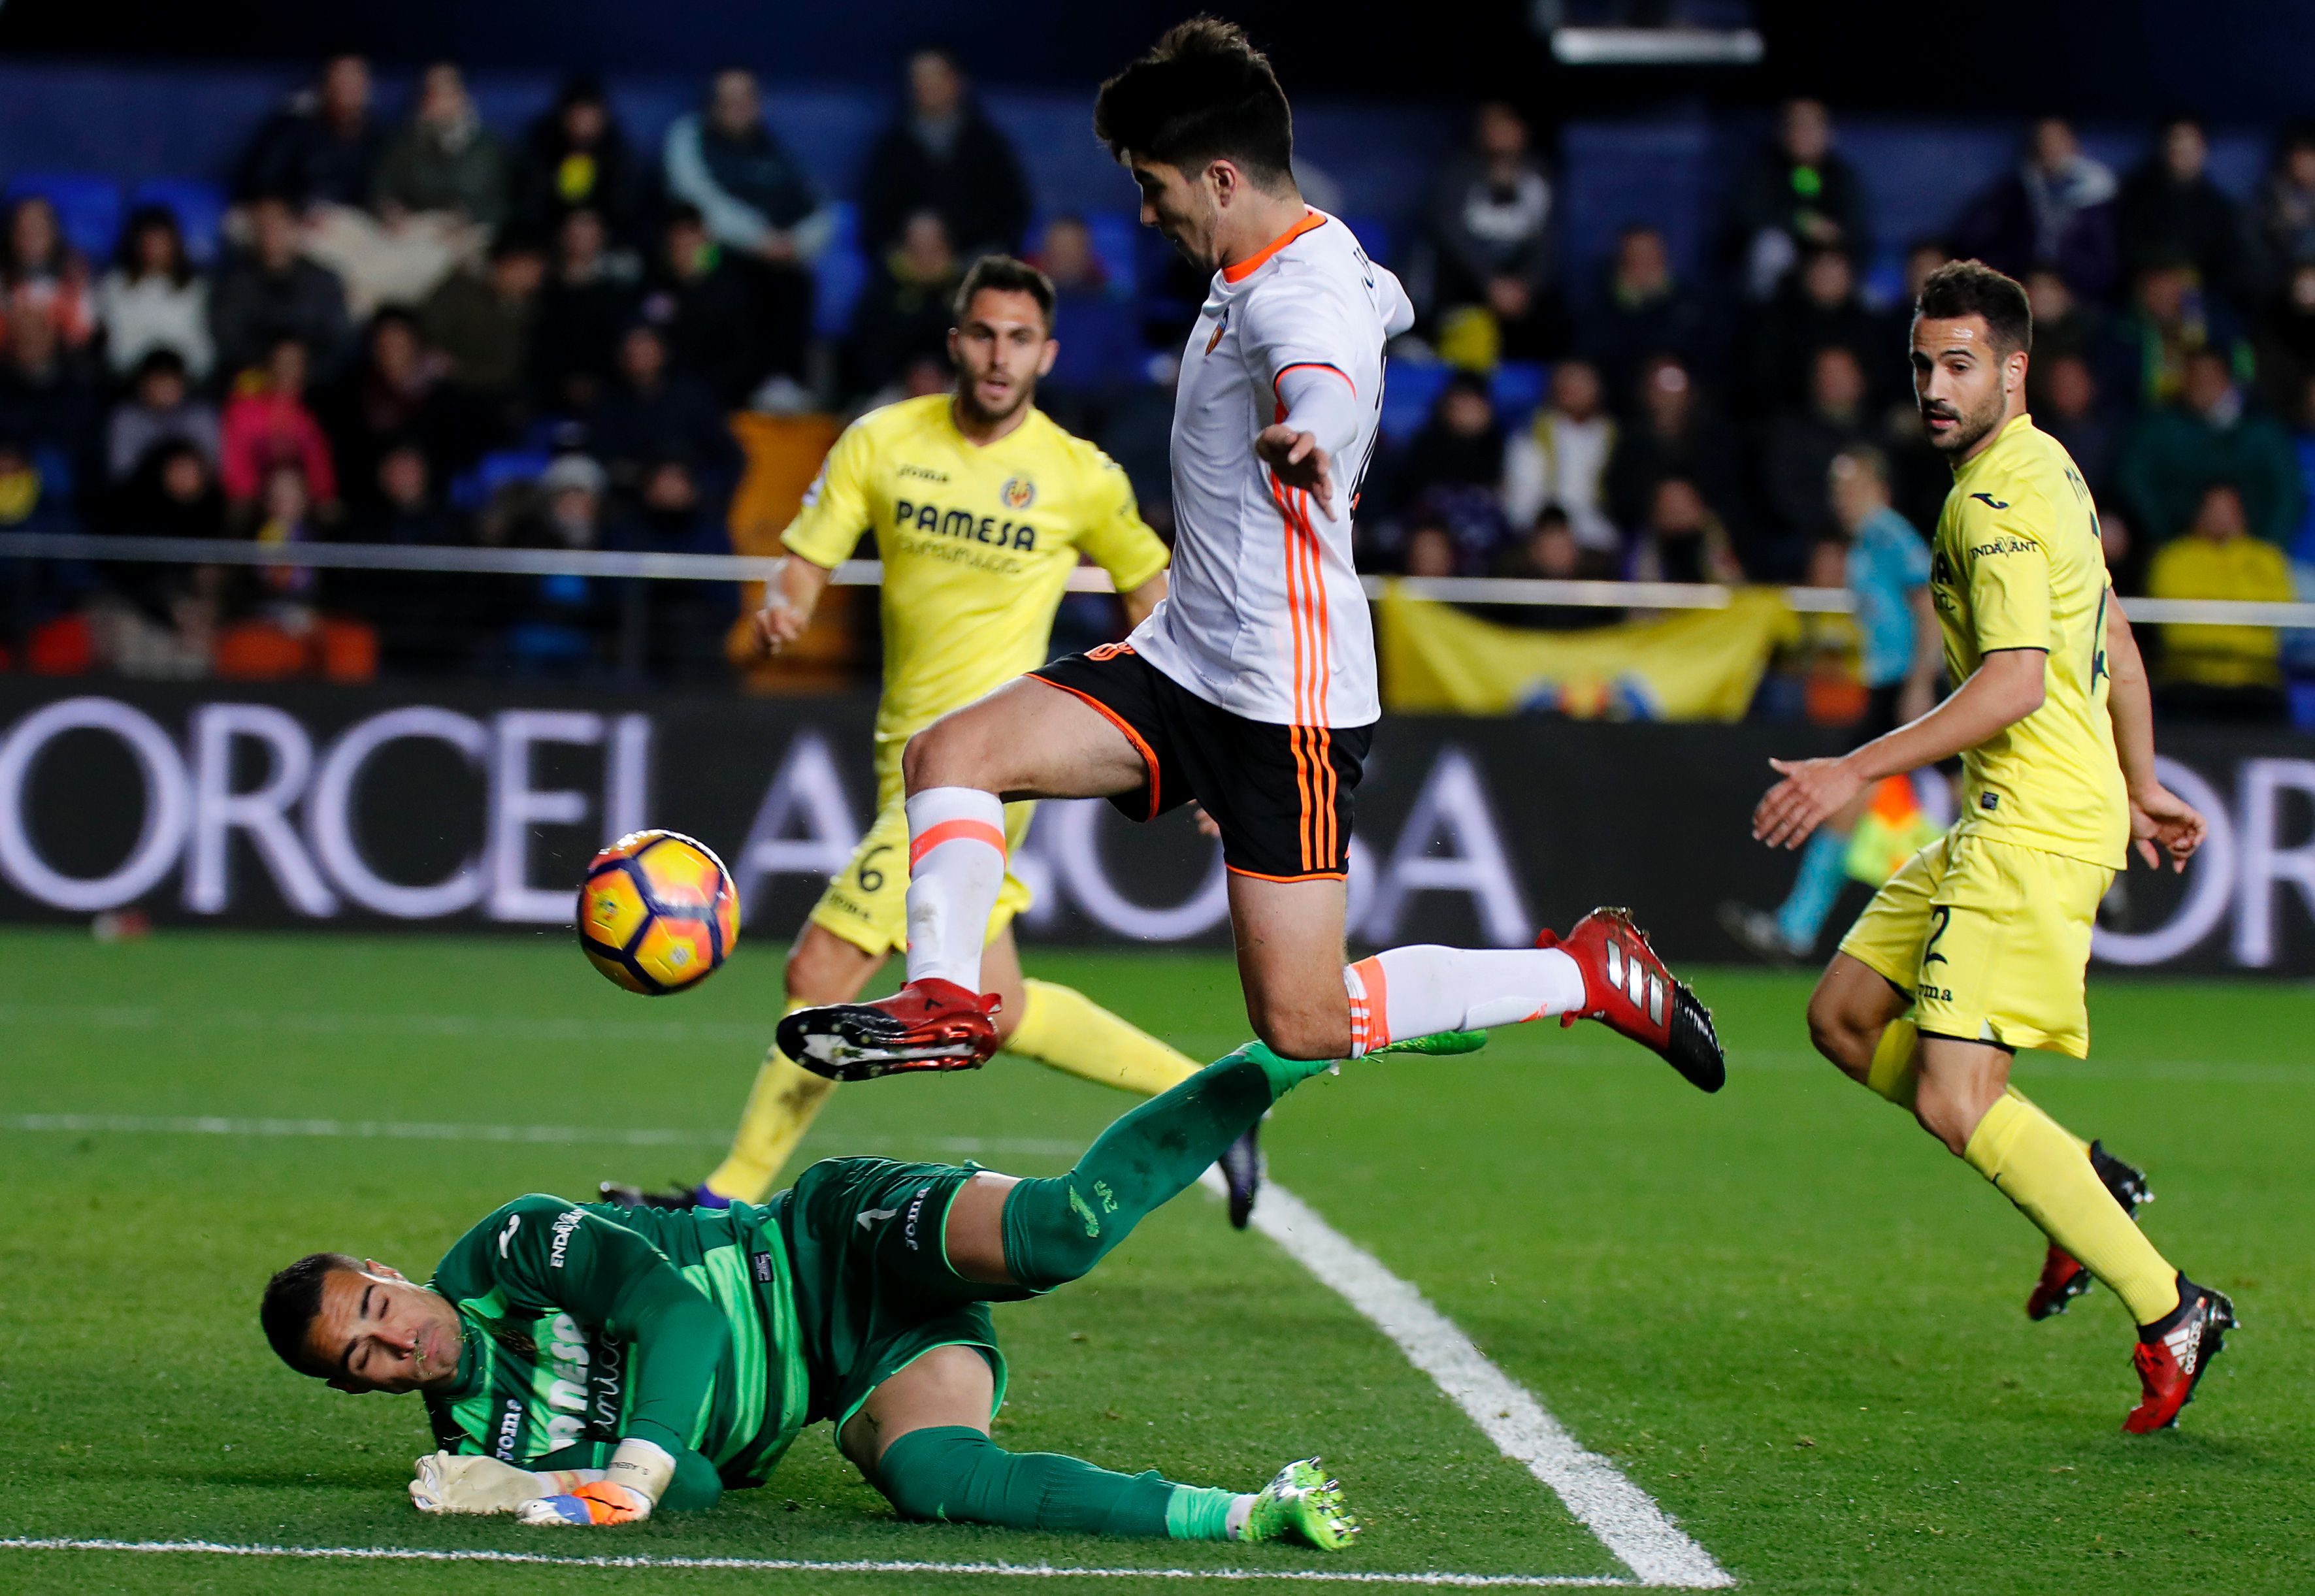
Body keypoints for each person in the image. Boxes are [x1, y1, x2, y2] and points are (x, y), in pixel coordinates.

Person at [779, 20, 1726, 1094]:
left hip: (1285, 697)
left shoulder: (1292, 292)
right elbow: (1380, 299)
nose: (1147, 212)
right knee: (950, 757)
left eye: (1154, 185)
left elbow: (1315, 362)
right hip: (1186, 659)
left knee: (1306, 1017)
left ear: (1221, 177)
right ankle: (947, 1001)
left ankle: (1584, 974)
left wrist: (1316, 426)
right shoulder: (1295, 255)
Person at [603, 254, 1269, 1221]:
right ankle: (1216, 1101)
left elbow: (1149, 592)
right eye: (983, 334)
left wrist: (1197, 743)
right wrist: (785, 607)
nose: (999, 356)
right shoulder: (881, 441)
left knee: (820, 969)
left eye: (1018, 339)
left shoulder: (1078, 475)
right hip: (901, 761)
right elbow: (804, 560)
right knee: (996, 1004)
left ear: (1046, 352)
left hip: (992, 770)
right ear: (954, 341)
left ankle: (722, 1202)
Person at [1750, 260, 2230, 1433]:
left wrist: (1854, 765)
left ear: (2012, 370)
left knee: (1958, 1103)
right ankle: (2077, 1189)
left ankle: (2168, 1303)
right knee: (1844, 1018)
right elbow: (2106, 624)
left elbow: (2016, 680)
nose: (1932, 384)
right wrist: (2142, 777)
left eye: (1957, 364)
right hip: (2013, 816)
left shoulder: (1991, 500)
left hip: (2030, 830)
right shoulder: (2047, 465)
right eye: (1920, 363)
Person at [260, 1042, 1377, 1542]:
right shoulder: (482, 1439)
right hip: (854, 1370)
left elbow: (679, 1312)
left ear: (390, 1273)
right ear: (357, 1389)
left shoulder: (509, 1243)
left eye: (376, 1309)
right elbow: (693, 1488)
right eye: (362, 1359)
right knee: (939, 1482)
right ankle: (1248, 1512)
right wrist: (522, 1488)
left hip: (834, 1239)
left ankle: (1276, 1052)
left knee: (1058, 1235)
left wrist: (627, 1464)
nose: (396, 1344)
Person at [1723, 444, 1937, 962]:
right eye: (1838, 489)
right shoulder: (1863, 543)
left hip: (1905, 686)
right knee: (1851, 802)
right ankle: (1795, 926)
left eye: (1854, 486)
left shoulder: (1887, 533)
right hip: (1887, 687)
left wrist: (1920, 681)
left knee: (1971, 792)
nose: (1842, 498)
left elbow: (1927, 604)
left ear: (1879, 489)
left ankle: (1796, 926)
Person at [2116, 346, 2300, 548]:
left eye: (2210, 377)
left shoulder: (2262, 429)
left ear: (2227, 379)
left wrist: (2266, 544)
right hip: (2179, 547)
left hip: (2254, 550)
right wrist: (2168, 534)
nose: (2202, 386)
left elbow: (2287, 492)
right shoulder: (2161, 427)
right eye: (2195, 378)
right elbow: (2134, 479)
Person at [859, 48, 1030, 260]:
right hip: (907, 270)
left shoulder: (989, 147)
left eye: (936, 75)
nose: (928, 84)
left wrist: (964, 252)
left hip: (975, 266)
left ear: (958, 81)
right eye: (919, 77)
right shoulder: (890, 150)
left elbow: (1012, 213)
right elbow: (875, 222)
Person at [1425, 101, 1565, 362]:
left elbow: (1548, 242)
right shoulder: (1459, 172)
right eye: (1489, 124)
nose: (1494, 132)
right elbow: (1450, 235)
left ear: (1521, 129)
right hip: (1468, 288)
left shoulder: (1540, 175)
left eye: (1503, 124)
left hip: (1524, 293)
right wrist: (1489, 282)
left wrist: (1527, 285)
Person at [2145, 480, 2294, 722]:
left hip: (2256, 679)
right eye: (2214, 508)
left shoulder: (2267, 558)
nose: (2221, 516)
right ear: (2199, 512)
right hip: (2188, 677)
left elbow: (2280, 606)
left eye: (2229, 509)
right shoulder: (2173, 558)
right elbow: (2180, 618)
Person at [1950, 118, 2118, 302]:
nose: (2050, 148)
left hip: (2081, 297)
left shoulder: (2101, 197)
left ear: (2074, 144)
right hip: (2021, 292)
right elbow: (1975, 238)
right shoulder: (2013, 194)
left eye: (2057, 140)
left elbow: (2105, 261)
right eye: (2043, 141)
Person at [1724, 99, 1869, 299]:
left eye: (1811, 126)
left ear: (1827, 132)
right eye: (1795, 125)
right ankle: (1766, 309)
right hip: (1784, 268)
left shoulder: (1841, 175)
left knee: (1872, 296)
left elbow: (1857, 226)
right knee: (1771, 246)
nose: (1802, 133)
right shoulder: (1763, 169)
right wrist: (1802, 224)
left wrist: (1833, 237)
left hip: (1829, 262)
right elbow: (1749, 216)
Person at [2115, 117, 2256, 316]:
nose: (2181, 149)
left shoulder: (2221, 208)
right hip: (2146, 290)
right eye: (2175, 141)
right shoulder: (2135, 198)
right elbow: (2128, 249)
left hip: (2203, 297)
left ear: (2203, 150)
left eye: (2190, 143)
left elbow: (2229, 265)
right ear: (2162, 147)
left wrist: (2191, 284)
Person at [208, 196, 353, 379]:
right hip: (255, 380)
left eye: (278, 223)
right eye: (264, 225)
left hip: (315, 384)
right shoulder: (233, 282)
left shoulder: (324, 280)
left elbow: (338, 340)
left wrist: (301, 368)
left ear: (294, 227)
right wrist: (273, 364)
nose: (271, 232)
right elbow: (228, 339)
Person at [372, 62, 510, 238]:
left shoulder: (489, 146)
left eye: (449, 94)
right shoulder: (402, 145)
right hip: (414, 233)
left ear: (463, 97)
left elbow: (502, 202)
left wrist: (467, 221)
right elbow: (382, 193)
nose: (441, 104)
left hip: (473, 234)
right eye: (433, 95)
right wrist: (391, 214)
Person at [233, 54, 384, 213]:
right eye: (341, 79)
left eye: (356, 80)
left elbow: (376, 193)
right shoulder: (293, 128)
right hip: (285, 214)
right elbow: (263, 182)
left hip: (343, 221)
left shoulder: (377, 137)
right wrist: (274, 213)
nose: (348, 88)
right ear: (325, 84)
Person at [512, 74, 645, 247]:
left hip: (605, 244)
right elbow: (531, 204)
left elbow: (626, 209)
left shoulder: (618, 152)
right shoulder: (541, 147)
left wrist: (595, 228)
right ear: (564, 116)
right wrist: (562, 230)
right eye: (576, 114)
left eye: (589, 114)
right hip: (550, 242)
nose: (582, 123)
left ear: (602, 116)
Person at [1503, 357, 1618, 553]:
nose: (1575, 389)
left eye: (1583, 381)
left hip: (1603, 539)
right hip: (1545, 536)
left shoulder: (1613, 434)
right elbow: (1521, 499)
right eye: (1569, 381)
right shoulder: (1531, 432)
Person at [97, 204, 212, 381]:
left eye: (162, 241)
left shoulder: (196, 288)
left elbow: (200, 347)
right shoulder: (114, 287)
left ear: (174, 244)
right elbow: (117, 346)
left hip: (185, 382)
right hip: (128, 383)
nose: (156, 249)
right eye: (149, 241)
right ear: (136, 245)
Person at [105, 348, 220, 482]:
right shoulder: (126, 419)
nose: (164, 391)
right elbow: (121, 473)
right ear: (142, 385)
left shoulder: (201, 417)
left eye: (170, 383)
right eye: (158, 383)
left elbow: (214, 469)